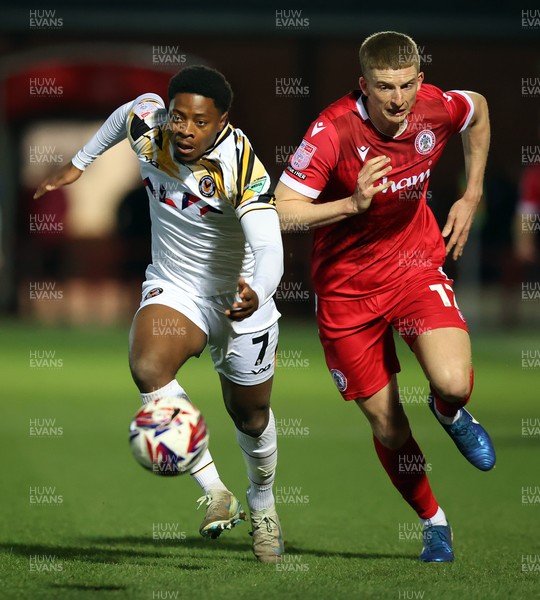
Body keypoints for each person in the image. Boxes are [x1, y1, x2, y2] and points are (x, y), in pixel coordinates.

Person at [34, 65, 284, 563]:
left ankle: (263, 502)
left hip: (240, 301)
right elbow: (127, 111)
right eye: (179, 118)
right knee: (149, 366)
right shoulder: (151, 130)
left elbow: (269, 245)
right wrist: (81, 162)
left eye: (199, 121)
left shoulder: (242, 166)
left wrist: (256, 291)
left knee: (251, 417)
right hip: (176, 289)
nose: (186, 130)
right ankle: (216, 492)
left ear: (222, 122)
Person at [275, 31, 495, 563]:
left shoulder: (436, 107)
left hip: (414, 266)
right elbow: (281, 210)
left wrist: (472, 193)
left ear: (419, 80)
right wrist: (351, 204)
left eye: (404, 85)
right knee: (389, 425)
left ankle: (449, 413)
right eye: (382, 87)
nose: (396, 99)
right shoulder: (331, 131)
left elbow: (480, 110)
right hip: (346, 290)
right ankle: (434, 522)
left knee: (453, 384)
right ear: (363, 85)